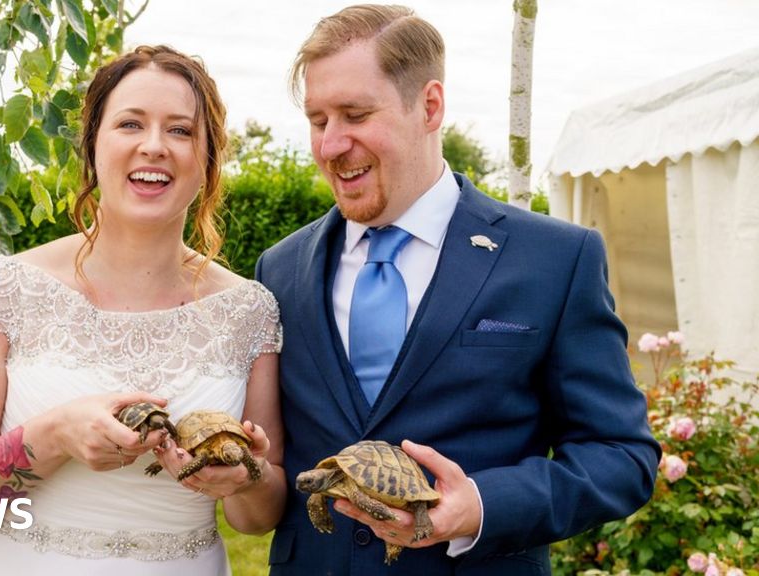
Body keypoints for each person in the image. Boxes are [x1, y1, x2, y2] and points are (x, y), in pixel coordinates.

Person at [254, 5, 661, 574]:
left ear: (430, 106)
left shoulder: (556, 259)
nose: (330, 145)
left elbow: (621, 456)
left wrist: (482, 506)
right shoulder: (279, 268)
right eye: (319, 120)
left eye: (355, 114)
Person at [0, 45, 285, 576]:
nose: (154, 146)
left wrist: (246, 478)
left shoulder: (248, 311)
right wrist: (55, 435)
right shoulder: (1, 292)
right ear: (92, 145)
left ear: (208, 159)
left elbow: (258, 517)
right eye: (130, 124)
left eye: (180, 130)